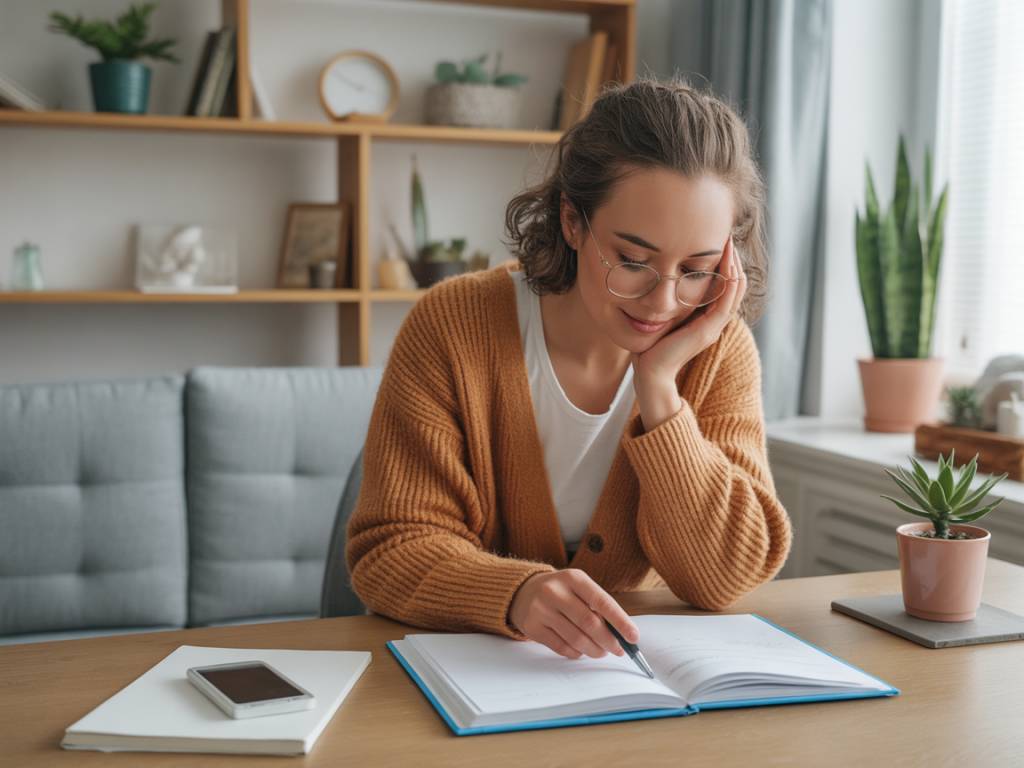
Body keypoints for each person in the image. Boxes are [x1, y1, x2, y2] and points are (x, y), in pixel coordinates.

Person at [346, 76, 792, 661]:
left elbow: (727, 576)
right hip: (467, 677)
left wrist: (659, 391)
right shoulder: (453, 326)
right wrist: (516, 593)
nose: (662, 302)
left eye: (696, 270)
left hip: (630, 685)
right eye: (632, 259)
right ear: (572, 221)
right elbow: (389, 550)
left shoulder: (717, 351)